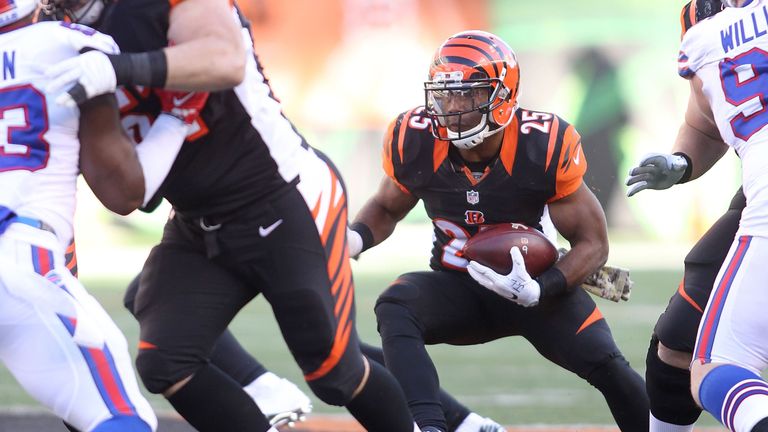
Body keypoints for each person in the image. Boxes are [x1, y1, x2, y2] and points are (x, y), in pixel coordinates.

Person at [44, 1, 423, 431]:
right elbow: (127, 195)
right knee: (166, 360)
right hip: (198, 222)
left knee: (334, 372)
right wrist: (166, 119)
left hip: (282, 198)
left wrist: (121, 69)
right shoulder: (50, 38)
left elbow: (224, 60)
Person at [341, 30, 648, 432]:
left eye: (467, 96)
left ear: (501, 97)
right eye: (445, 94)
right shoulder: (414, 137)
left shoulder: (543, 144)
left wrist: (544, 287)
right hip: (458, 286)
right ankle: (428, 426)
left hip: (537, 288)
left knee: (609, 367)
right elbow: (386, 206)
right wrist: (355, 238)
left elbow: (593, 243)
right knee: (396, 305)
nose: (451, 107)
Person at [0, 0, 207, 431]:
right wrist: (176, 117)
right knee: (120, 419)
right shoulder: (70, 45)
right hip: (16, 257)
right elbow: (123, 192)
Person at [628, 0, 768, 430]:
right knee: (678, 342)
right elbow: (705, 123)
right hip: (754, 190)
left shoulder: (706, 29)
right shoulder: (701, 20)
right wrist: (681, 163)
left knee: (718, 365)